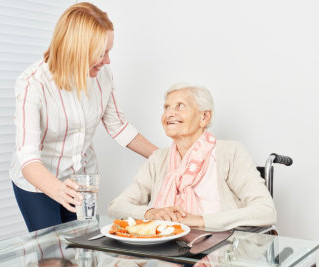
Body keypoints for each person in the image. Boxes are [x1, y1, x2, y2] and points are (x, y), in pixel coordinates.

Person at [9, 2, 157, 232]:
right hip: (39, 183)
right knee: (52, 257)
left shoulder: (102, 75)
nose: (107, 60)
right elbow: (28, 160)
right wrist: (58, 190)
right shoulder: (33, 85)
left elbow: (118, 126)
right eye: (102, 53)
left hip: (83, 179)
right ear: (77, 50)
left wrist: (164, 158)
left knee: (82, 250)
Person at [108, 82, 276, 230]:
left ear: (204, 117)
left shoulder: (230, 152)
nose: (170, 113)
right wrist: (151, 212)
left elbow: (266, 211)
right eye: (166, 107)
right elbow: (116, 207)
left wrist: (201, 221)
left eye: (180, 106)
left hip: (219, 247)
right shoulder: (158, 159)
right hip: (165, 247)